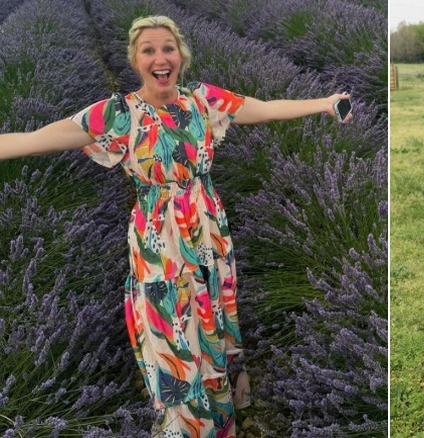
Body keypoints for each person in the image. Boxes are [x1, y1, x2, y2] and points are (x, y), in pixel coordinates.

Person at [0, 15, 351, 437]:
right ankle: (183, 427)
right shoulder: (119, 114)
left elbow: (263, 108)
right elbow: (38, 137)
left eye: (168, 48)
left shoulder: (201, 100)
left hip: (208, 232)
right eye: (148, 50)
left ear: (181, 55)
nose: (160, 57)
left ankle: (219, 422)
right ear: (135, 59)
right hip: (158, 240)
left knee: (211, 320)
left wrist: (325, 103)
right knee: (170, 329)